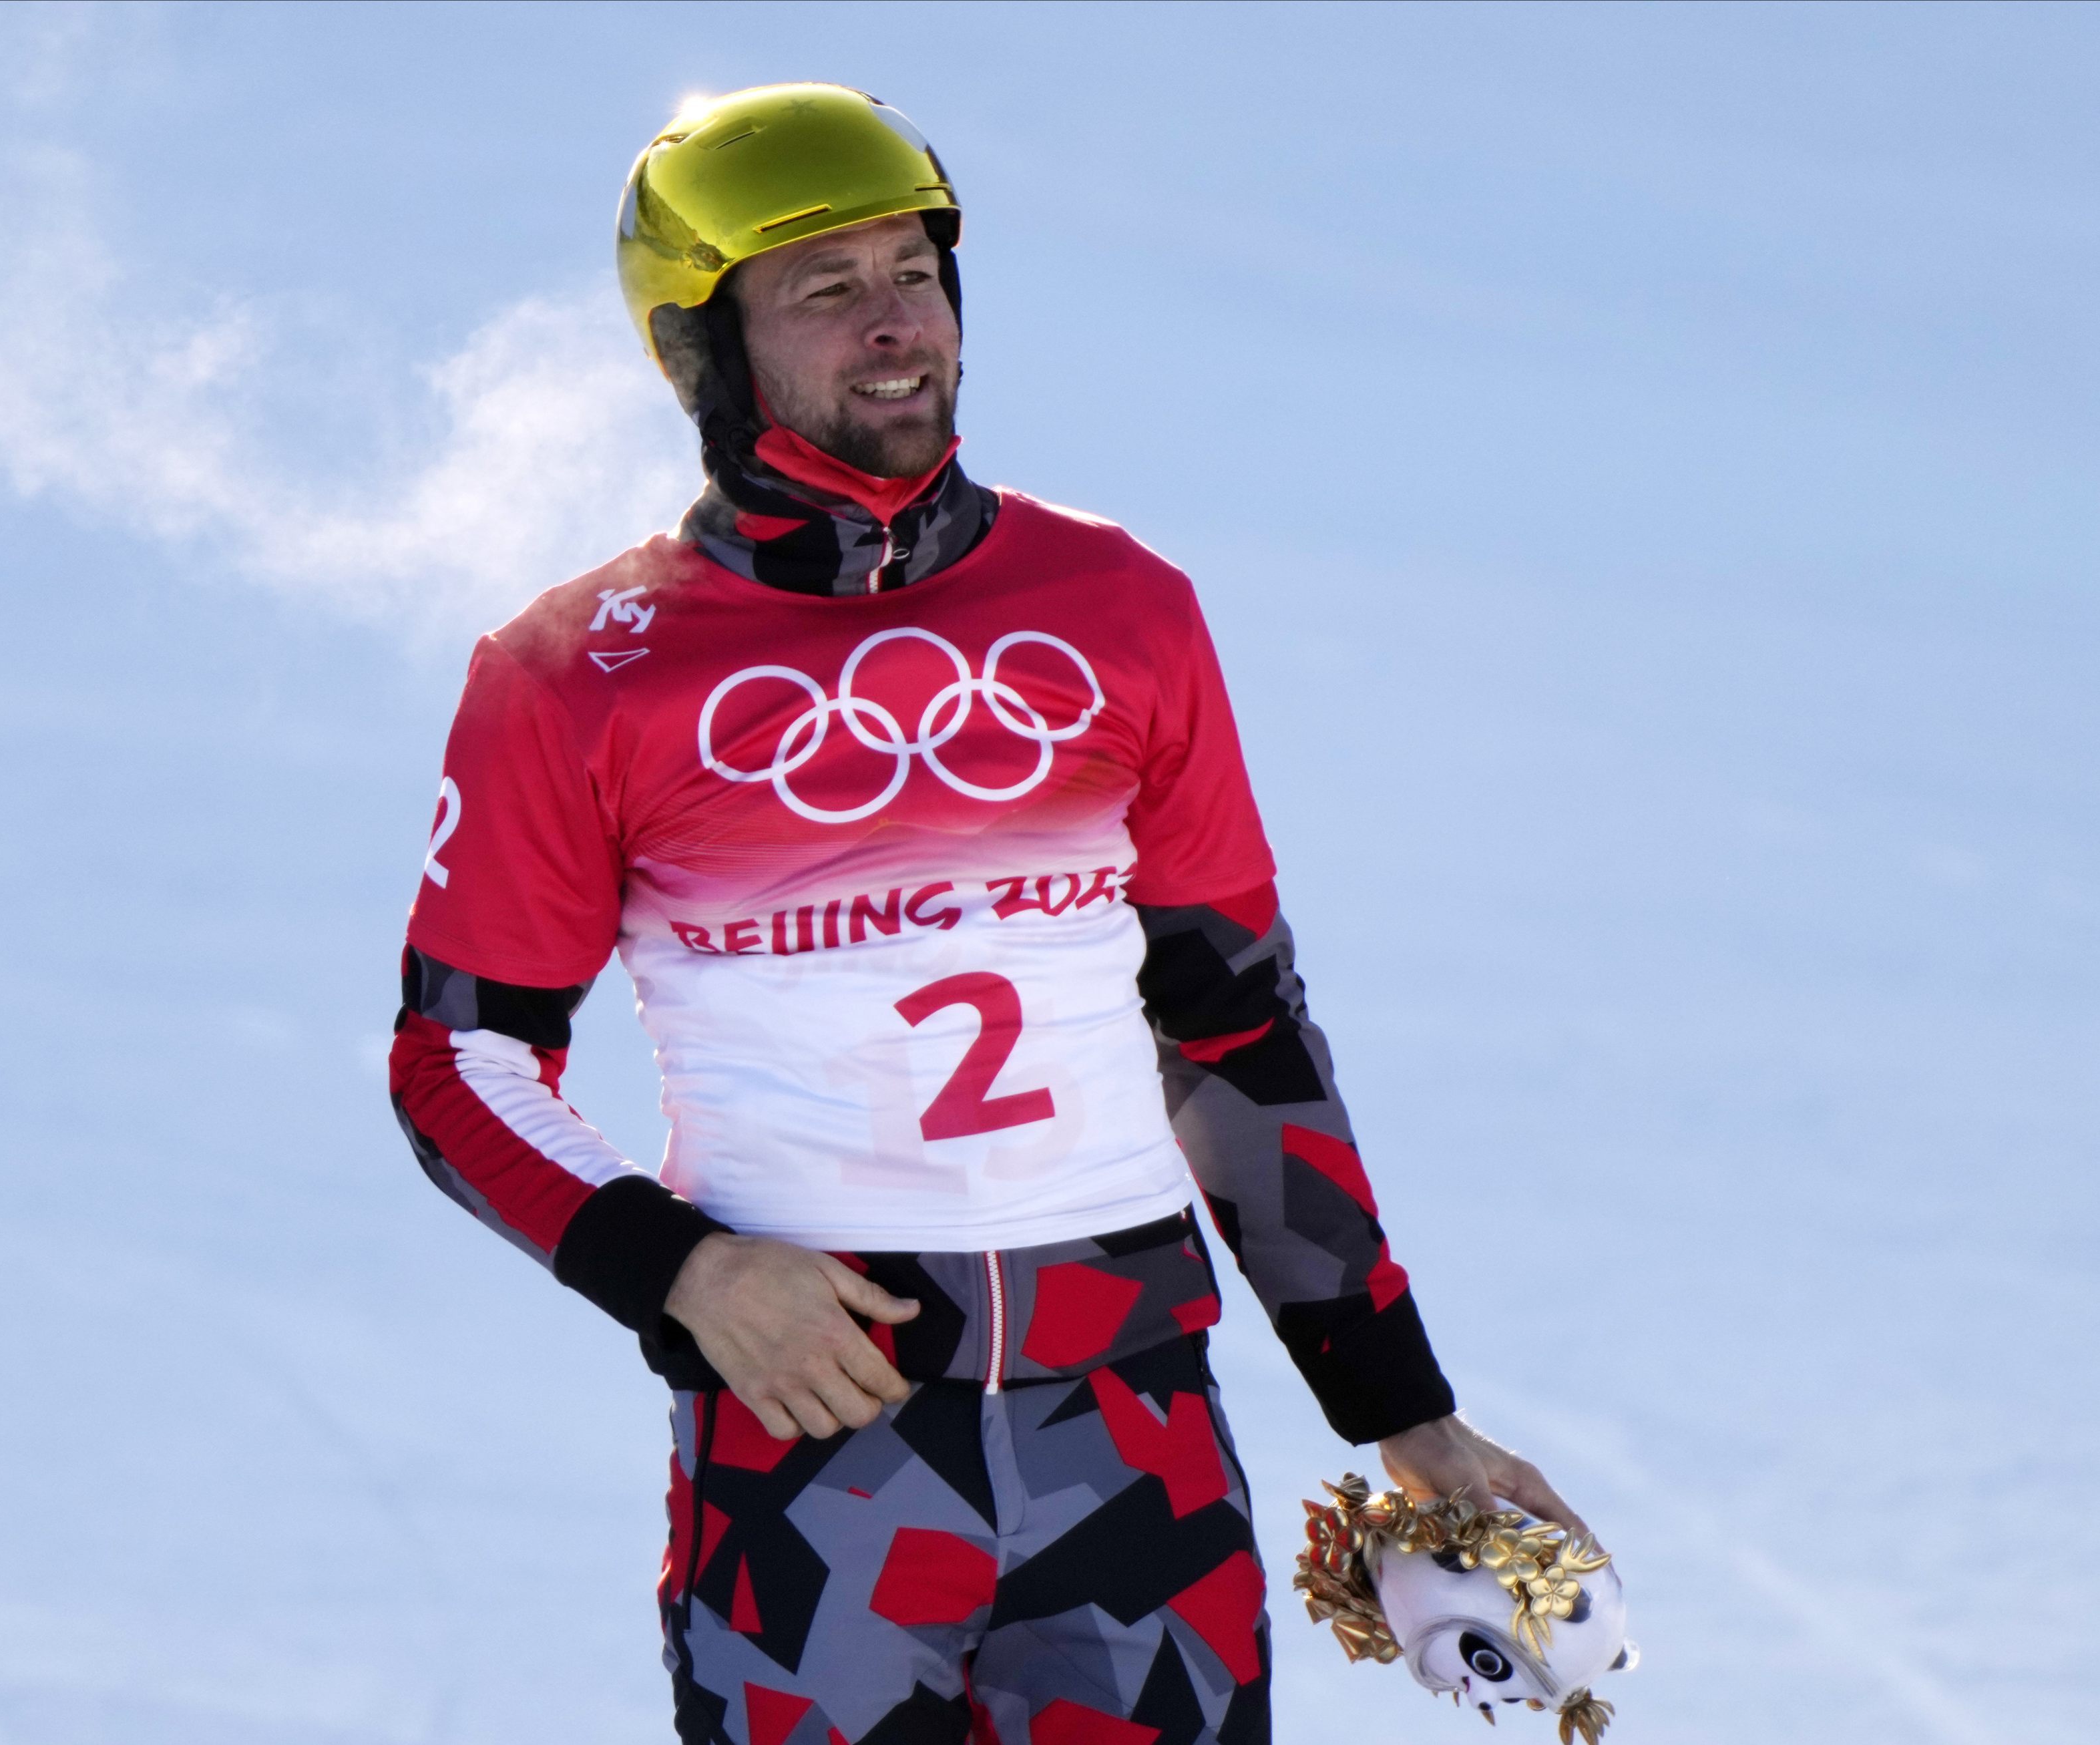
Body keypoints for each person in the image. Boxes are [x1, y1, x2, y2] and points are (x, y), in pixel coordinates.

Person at [389, 83, 1581, 1745]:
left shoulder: (1118, 607)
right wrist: (685, 1272)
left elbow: (1232, 1021)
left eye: (915, 271)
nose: (893, 322)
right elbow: (459, 1064)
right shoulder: (573, 671)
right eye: (825, 288)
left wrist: (1405, 1410)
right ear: (705, 350)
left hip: (1129, 1419)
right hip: (816, 1433)